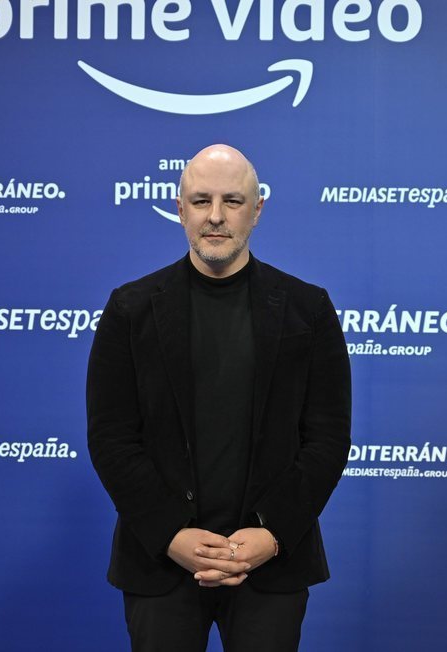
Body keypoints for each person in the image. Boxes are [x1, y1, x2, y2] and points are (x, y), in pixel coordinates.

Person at [86, 144, 351, 652]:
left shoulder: (308, 308)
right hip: (162, 563)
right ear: (180, 208)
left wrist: (272, 533)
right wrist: (171, 534)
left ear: (257, 209)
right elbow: (111, 439)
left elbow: (328, 439)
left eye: (232, 201)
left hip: (270, 565)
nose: (215, 216)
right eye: (201, 200)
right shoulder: (130, 309)